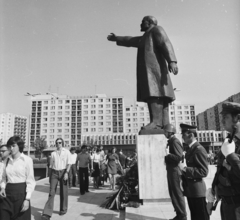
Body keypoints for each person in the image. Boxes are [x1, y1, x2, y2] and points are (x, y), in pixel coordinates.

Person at [107, 15, 178, 130]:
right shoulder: (145, 37)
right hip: (150, 70)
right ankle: (164, 124)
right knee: (157, 94)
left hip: (155, 71)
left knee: (155, 94)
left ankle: (157, 123)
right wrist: (117, 38)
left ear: (149, 23)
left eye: (143, 22)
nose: (140, 24)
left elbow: (165, 43)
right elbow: (130, 40)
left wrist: (172, 61)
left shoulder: (156, 29)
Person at [206, 102, 240, 220]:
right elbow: (220, 170)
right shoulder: (229, 142)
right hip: (226, 205)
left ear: (237, 118)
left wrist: (231, 156)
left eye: (225, 117)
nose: (222, 121)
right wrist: (213, 194)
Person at [0, 136, 36, 220]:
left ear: (19, 146)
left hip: (21, 195)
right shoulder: (7, 160)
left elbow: (30, 181)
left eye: (13, 146)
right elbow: (4, 178)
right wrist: (2, 188)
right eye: (9, 146)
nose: (11, 148)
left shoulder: (27, 160)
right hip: (7, 196)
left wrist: (27, 199)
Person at [178, 123, 209, 220]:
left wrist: (185, 169)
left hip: (197, 191)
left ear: (191, 135)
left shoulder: (198, 149)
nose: (182, 137)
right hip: (191, 190)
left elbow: (203, 171)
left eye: (184, 134)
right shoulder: (191, 149)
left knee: (201, 217)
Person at [42, 138, 71, 220]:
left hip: (63, 172)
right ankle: (47, 213)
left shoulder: (67, 152)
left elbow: (69, 163)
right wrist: (49, 176)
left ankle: (63, 209)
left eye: (60, 142)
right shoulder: (53, 153)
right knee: (51, 192)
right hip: (54, 173)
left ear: (62, 143)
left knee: (63, 191)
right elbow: (51, 165)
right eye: (57, 143)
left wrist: (66, 173)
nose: (58, 144)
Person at [164, 124, 187, 220]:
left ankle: (182, 216)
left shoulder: (174, 141)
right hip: (171, 170)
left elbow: (179, 157)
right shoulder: (171, 141)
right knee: (173, 193)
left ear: (170, 132)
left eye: (165, 131)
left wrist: (168, 155)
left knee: (177, 193)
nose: (164, 133)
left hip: (175, 171)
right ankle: (179, 214)